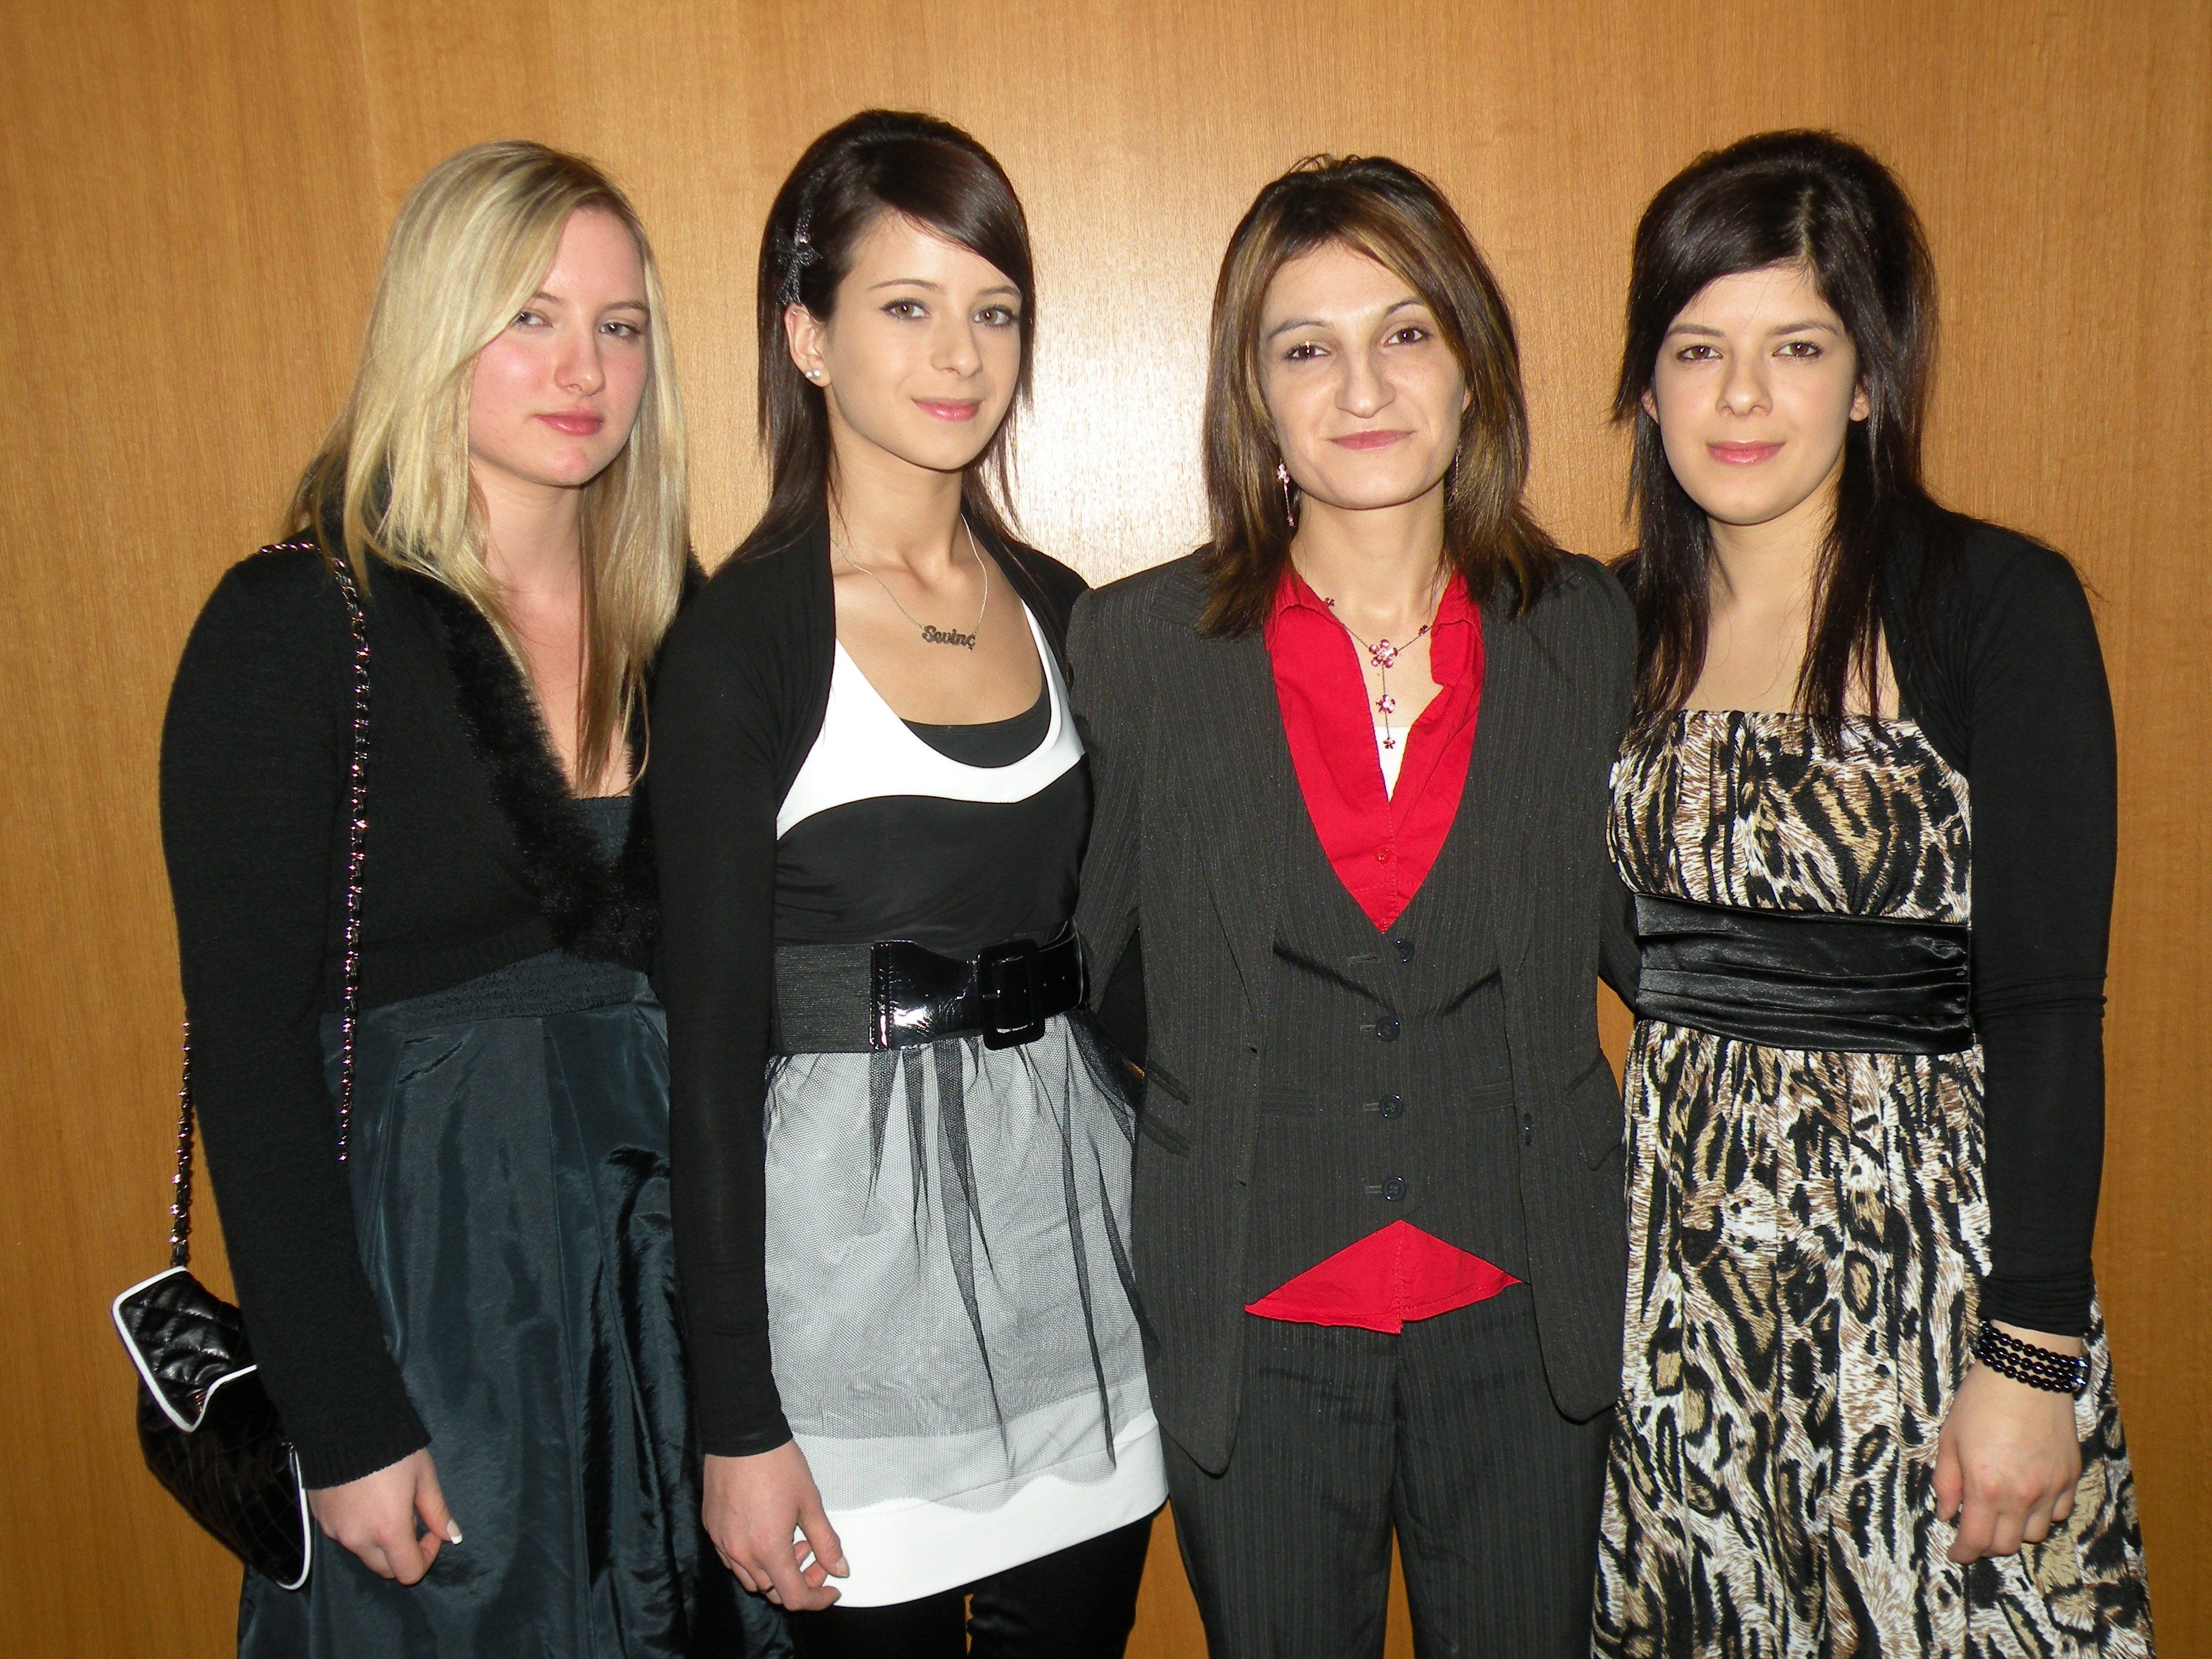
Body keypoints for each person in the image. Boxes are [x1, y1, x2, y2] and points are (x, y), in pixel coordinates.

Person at [159, 140, 765, 1656]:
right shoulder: (296, 624)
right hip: (436, 1284)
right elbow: (247, 1053)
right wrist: (343, 1414)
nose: (583, 369)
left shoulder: (682, 622)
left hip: (665, 1271)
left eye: (619, 327)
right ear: (438, 330)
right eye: (529, 318)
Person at [1067, 155, 1638, 1658]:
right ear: (1252, 397)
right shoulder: (1137, 647)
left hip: (1528, 1314)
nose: (1363, 386)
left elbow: (1657, 946)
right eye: (1306, 347)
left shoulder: (1589, 630)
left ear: (1472, 363)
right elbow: (1089, 967)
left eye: (1406, 332)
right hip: (1253, 1322)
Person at [1595, 129, 2153, 1656]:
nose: (1742, 397)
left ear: (1866, 377)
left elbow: (2049, 1003)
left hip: (1934, 1288)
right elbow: (1620, 951)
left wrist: (2032, 1348)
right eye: (1697, 349)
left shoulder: (1997, 604)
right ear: (1646, 386)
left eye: (1795, 346)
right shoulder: (1603, 629)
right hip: (1679, 1305)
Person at [649, 110, 1164, 1659]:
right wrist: (736, 1422)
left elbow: (1130, 971)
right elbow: (704, 1065)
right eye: (906, 305)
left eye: (994, 311)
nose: (960, 354)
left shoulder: (1069, 612)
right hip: (845, 1325)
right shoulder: (739, 645)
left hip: (1078, 1287)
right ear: (806, 335)